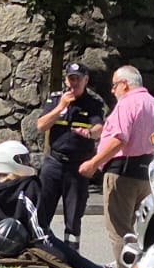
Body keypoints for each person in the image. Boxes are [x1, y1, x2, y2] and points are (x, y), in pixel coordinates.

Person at [0, 139, 112, 268]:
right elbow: (39, 231)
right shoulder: (29, 185)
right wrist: (55, 250)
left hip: (3, 244)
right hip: (29, 243)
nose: (27, 163)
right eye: (23, 159)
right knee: (64, 251)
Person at [78, 65, 154, 268]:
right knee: (141, 230)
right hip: (147, 174)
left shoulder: (127, 104)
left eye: (114, 86)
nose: (112, 91)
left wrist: (93, 163)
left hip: (122, 172)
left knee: (120, 228)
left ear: (124, 84)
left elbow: (119, 138)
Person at [34, 60, 106, 247]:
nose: (73, 83)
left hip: (77, 166)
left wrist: (90, 133)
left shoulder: (92, 103)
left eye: (78, 79)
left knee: (74, 216)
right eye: (70, 79)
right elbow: (41, 126)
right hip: (54, 163)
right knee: (42, 210)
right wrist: (60, 109)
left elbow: (100, 128)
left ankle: (71, 255)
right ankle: (38, 249)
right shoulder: (56, 99)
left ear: (86, 80)